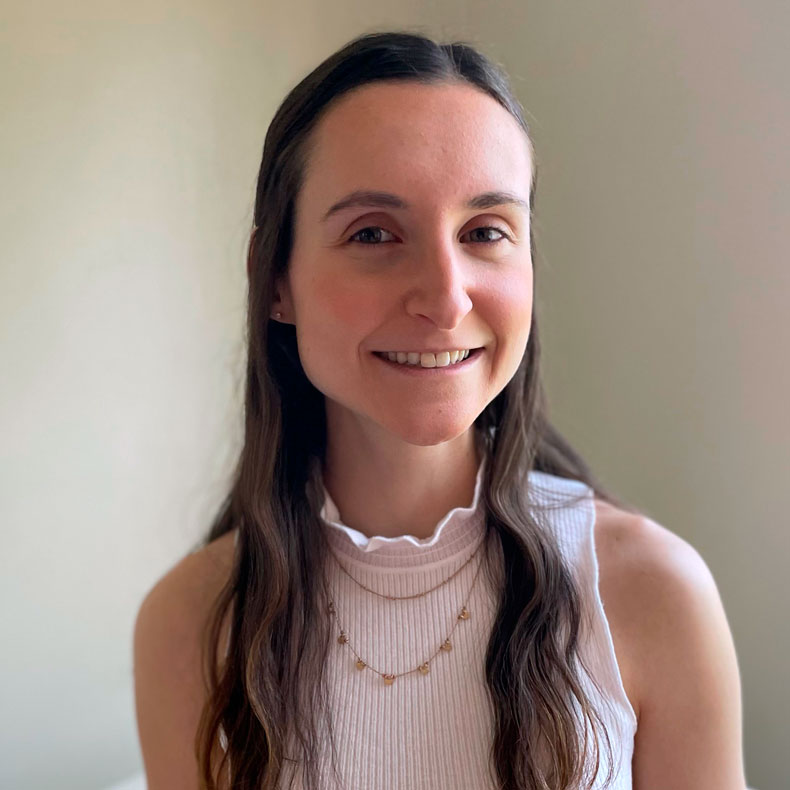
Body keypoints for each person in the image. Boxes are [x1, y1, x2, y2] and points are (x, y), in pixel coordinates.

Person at [133, 30, 747, 790]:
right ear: (275, 280)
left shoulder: (654, 592)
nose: (447, 298)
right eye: (373, 234)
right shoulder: (189, 627)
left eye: (486, 232)